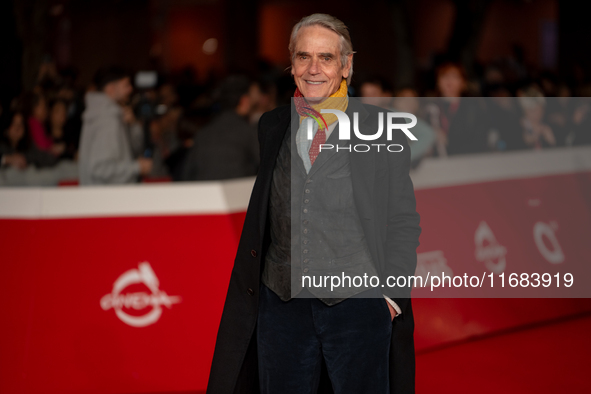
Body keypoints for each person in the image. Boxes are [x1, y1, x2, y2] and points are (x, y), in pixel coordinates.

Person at [207, 14, 421, 394]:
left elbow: (402, 219)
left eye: (326, 57)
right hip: (281, 305)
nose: (313, 69)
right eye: (303, 57)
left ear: (346, 65)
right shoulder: (272, 125)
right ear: (291, 66)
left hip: (357, 303)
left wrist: (390, 294)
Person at [78, 66, 152, 185]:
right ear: (111, 89)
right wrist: (137, 167)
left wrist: (132, 125)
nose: (130, 89)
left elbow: (132, 149)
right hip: (108, 199)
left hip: (102, 197)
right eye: (126, 85)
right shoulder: (106, 118)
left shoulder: (103, 113)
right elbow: (101, 168)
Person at [180, 75, 259, 181]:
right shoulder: (249, 132)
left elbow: (186, 174)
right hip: (240, 194)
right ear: (244, 101)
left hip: (205, 194)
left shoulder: (203, 133)